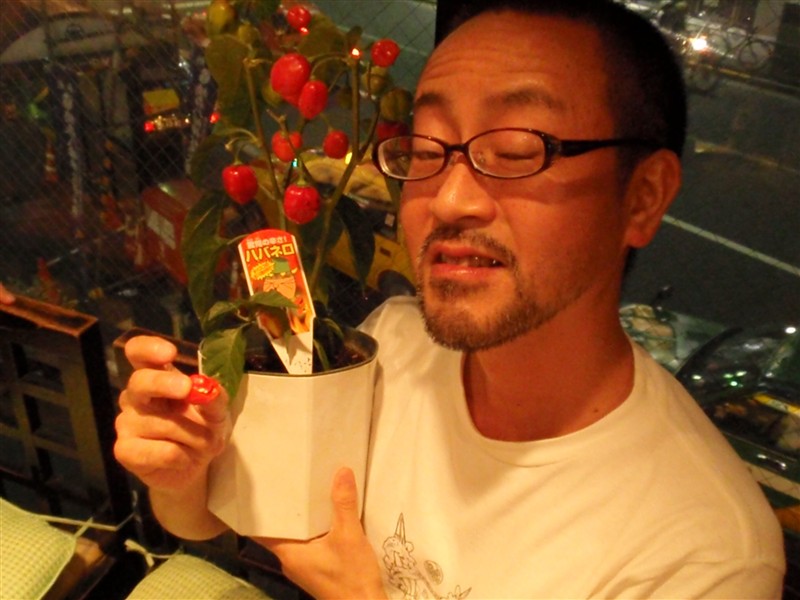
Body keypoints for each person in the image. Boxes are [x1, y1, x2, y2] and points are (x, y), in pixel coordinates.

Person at [114, 1, 786, 598]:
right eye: (428, 149)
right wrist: (183, 472)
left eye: (517, 150)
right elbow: (218, 518)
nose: (450, 199)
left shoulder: (703, 556)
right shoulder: (393, 347)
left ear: (641, 198)